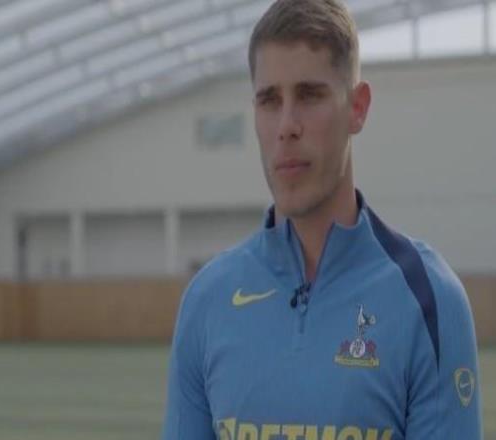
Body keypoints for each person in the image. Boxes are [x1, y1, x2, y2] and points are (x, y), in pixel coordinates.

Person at [162, 0, 482, 438]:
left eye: (309, 95)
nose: (286, 126)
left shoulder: (430, 299)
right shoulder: (207, 301)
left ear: (357, 107)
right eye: (269, 100)